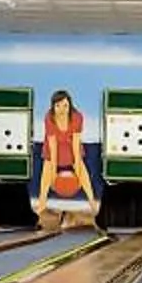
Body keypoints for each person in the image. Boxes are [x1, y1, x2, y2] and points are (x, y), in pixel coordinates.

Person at [34, 89, 97, 229]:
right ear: (53, 106)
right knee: (45, 181)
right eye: (58, 106)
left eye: (65, 105)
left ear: (70, 105)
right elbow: (53, 145)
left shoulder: (77, 117)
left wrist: (78, 168)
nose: (62, 109)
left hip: (71, 149)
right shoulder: (49, 117)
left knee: (84, 175)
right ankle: (41, 209)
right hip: (52, 152)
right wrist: (53, 173)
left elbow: (75, 143)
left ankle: (93, 204)